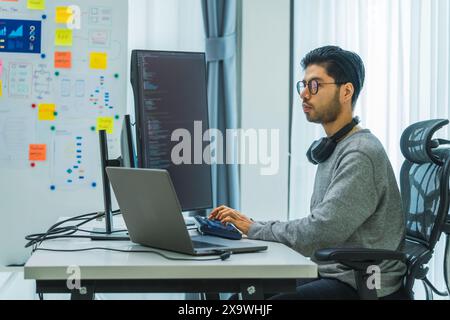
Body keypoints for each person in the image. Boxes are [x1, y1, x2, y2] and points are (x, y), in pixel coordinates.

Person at [209, 46, 407, 300]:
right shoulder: (336, 147)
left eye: (314, 85)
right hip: (335, 272)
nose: (304, 94)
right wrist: (253, 226)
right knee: (244, 298)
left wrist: (254, 228)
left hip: (364, 282)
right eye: (303, 85)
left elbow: (320, 232)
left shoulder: (360, 154)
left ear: (346, 91)